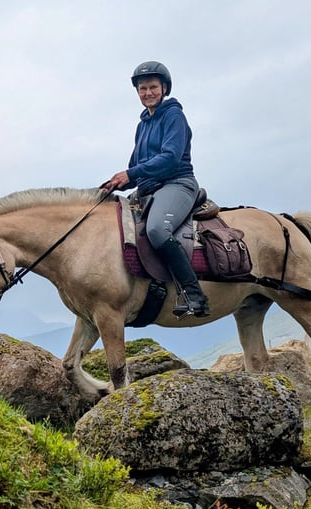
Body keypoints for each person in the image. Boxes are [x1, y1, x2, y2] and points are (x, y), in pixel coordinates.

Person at [102, 61, 210, 318]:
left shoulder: (173, 116)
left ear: (164, 88)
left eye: (152, 87)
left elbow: (170, 158)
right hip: (149, 190)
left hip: (177, 183)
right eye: (142, 88)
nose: (147, 93)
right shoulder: (142, 125)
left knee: (156, 229)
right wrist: (116, 183)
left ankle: (195, 294)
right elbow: (136, 167)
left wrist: (131, 174)